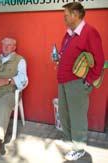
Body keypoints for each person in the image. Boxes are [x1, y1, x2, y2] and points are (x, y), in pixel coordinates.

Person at [55, 2, 105, 161]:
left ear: (76, 14)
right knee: (64, 114)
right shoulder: (69, 33)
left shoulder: (90, 32)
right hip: (63, 81)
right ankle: (71, 141)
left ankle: (79, 148)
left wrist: (89, 81)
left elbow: (99, 60)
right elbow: (67, 54)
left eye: (66, 15)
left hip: (78, 83)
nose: (64, 18)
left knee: (77, 117)